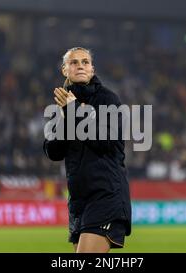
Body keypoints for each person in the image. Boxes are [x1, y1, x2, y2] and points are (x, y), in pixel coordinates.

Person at [43, 47, 132, 253]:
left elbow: (108, 142)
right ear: (65, 70)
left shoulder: (108, 100)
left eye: (85, 62)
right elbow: (53, 152)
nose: (80, 66)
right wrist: (68, 115)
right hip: (79, 200)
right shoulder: (64, 104)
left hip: (106, 195)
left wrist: (74, 113)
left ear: (92, 70)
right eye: (74, 62)